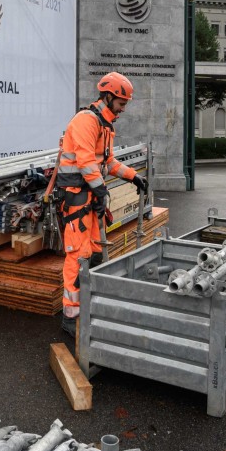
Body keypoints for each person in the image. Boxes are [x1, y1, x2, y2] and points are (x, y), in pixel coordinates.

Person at [56, 72, 148, 337]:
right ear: (108, 96)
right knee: (78, 254)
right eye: (121, 103)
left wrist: (133, 176)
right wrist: (100, 191)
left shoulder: (106, 125)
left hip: (88, 196)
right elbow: (85, 162)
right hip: (76, 198)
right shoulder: (86, 121)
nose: (122, 109)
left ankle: (88, 303)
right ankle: (71, 316)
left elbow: (107, 163)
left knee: (95, 251)